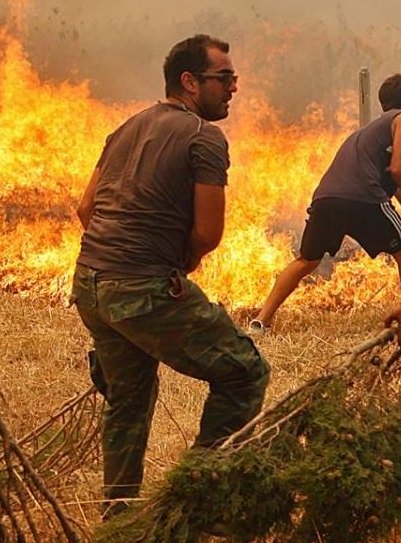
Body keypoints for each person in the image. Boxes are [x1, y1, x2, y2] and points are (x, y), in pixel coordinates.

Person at [70, 34, 270, 517]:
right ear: (189, 81)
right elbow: (208, 233)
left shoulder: (127, 126)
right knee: (245, 373)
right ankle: (192, 503)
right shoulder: (205, 137)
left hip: (90, 283)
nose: (233, 88)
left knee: (127, 402)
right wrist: (172, 267)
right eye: (223, 78)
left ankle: (118, 518)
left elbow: (85, 207)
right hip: (140, 286)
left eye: (233, 78)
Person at [250, 74, 401, 334]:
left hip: (327, 199)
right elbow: (399, 169)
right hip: (364, 197)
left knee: (306, 260)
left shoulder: (366, 133)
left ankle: (261, 321)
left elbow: (391, 176)